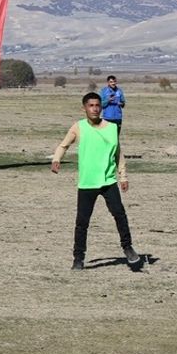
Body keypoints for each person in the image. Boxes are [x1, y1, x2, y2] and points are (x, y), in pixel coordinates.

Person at [51, 92, 141, 271]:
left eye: (97, 105)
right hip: (87, 183)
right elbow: (64, 145)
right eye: (91, 105)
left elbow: (118, 154)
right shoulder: (79, 127)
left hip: (108, 181)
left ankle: (128, 248)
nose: (94, 109)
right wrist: (56, 159)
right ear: (84, 108)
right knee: (82, 222)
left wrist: (123, 176)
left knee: (119, 214)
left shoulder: (111, 127)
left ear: (101, 107)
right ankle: (78, 258)